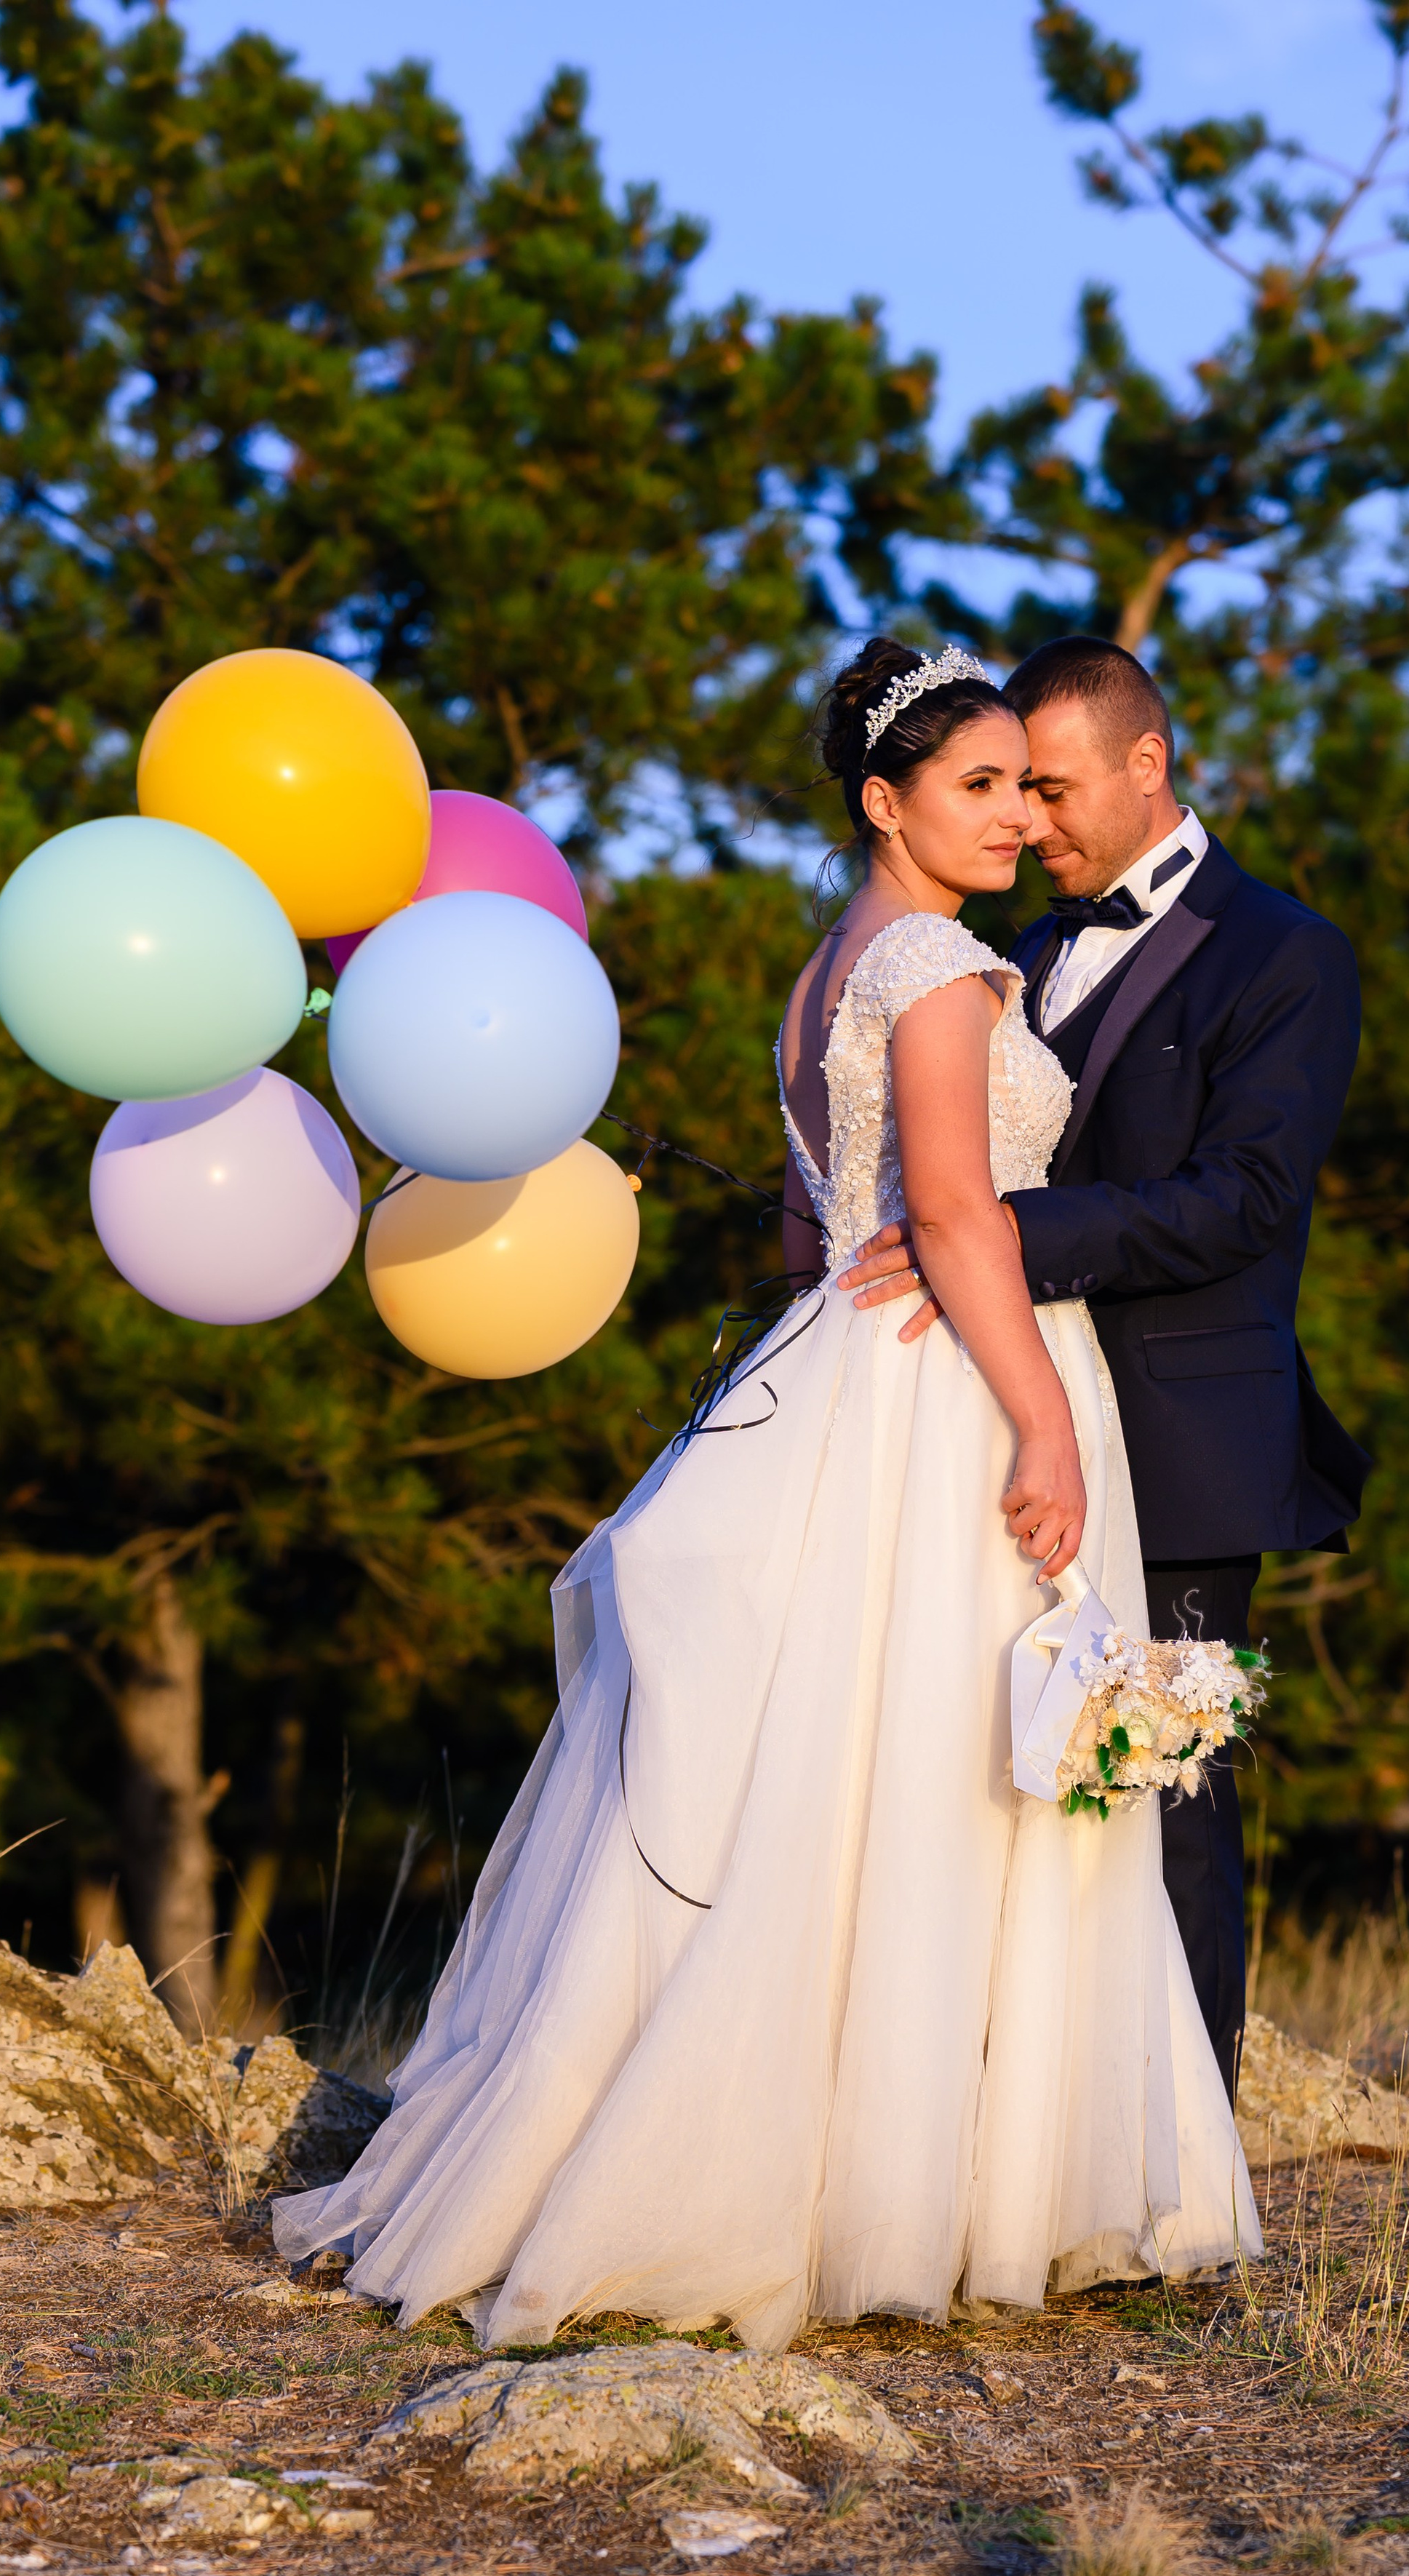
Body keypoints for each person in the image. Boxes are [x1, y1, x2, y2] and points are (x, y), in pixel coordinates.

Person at [272, 637, 1260, 2349]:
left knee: (843, 1775)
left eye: (1024, 787)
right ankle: (921, 2188)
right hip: (957, 1387)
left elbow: (816, 1237)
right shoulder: (937, 966)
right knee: (944, 1782)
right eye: (976, 787)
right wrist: (1036, 1423)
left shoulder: (824, 974)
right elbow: (948, 1217)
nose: (1016, 818)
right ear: (883, 801)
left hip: (845, 1371)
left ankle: (852, 2162)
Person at [840, 636, 1368, 2100]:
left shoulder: (1285, 953)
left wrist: (994, 1234)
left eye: (1054, 790)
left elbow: (1245, 1198)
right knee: (1003, 1804)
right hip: (997, 1442)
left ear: (1149, 763)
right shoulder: (1007, 953)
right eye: (1009, 789)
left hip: (1184, 1450)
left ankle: (1183, 2168)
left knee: (1166, 1798)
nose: (1031, 823)